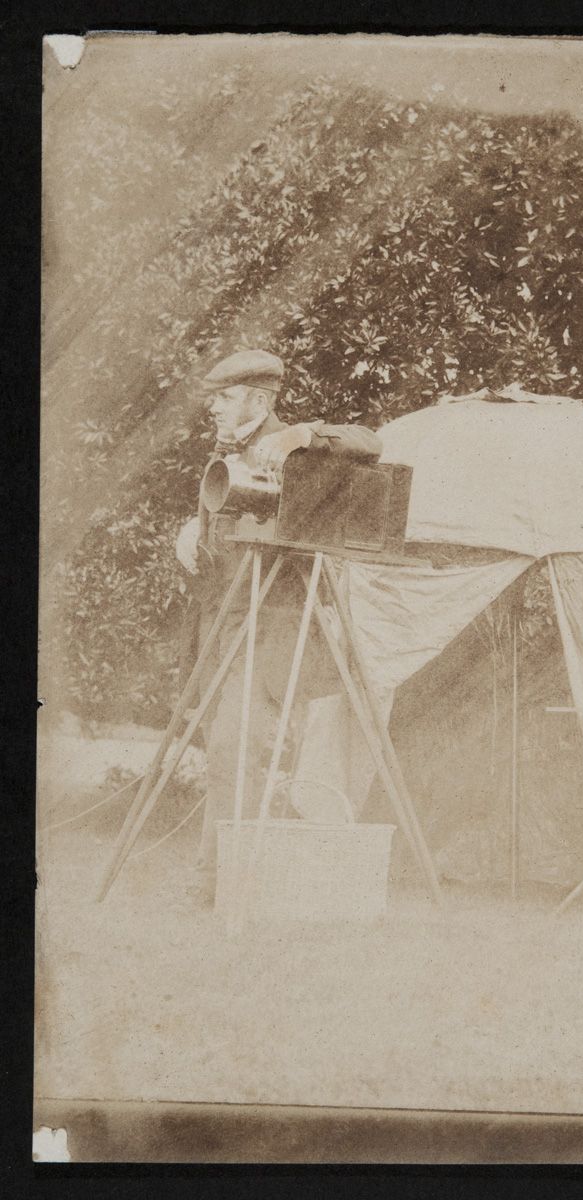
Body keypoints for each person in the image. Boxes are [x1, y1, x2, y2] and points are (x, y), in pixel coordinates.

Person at [175, 349, 382, 904]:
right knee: (226, 755)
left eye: (223, 396)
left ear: (258, 400)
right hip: (225, 624)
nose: (213, 407)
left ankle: (213, 888)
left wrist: (302, 435)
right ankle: (225, 883)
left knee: (232, 752)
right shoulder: (227, 453)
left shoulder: (294, 448)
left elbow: (370, 442)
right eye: (214, 397)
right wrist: (190, 532)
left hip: (271, 628)